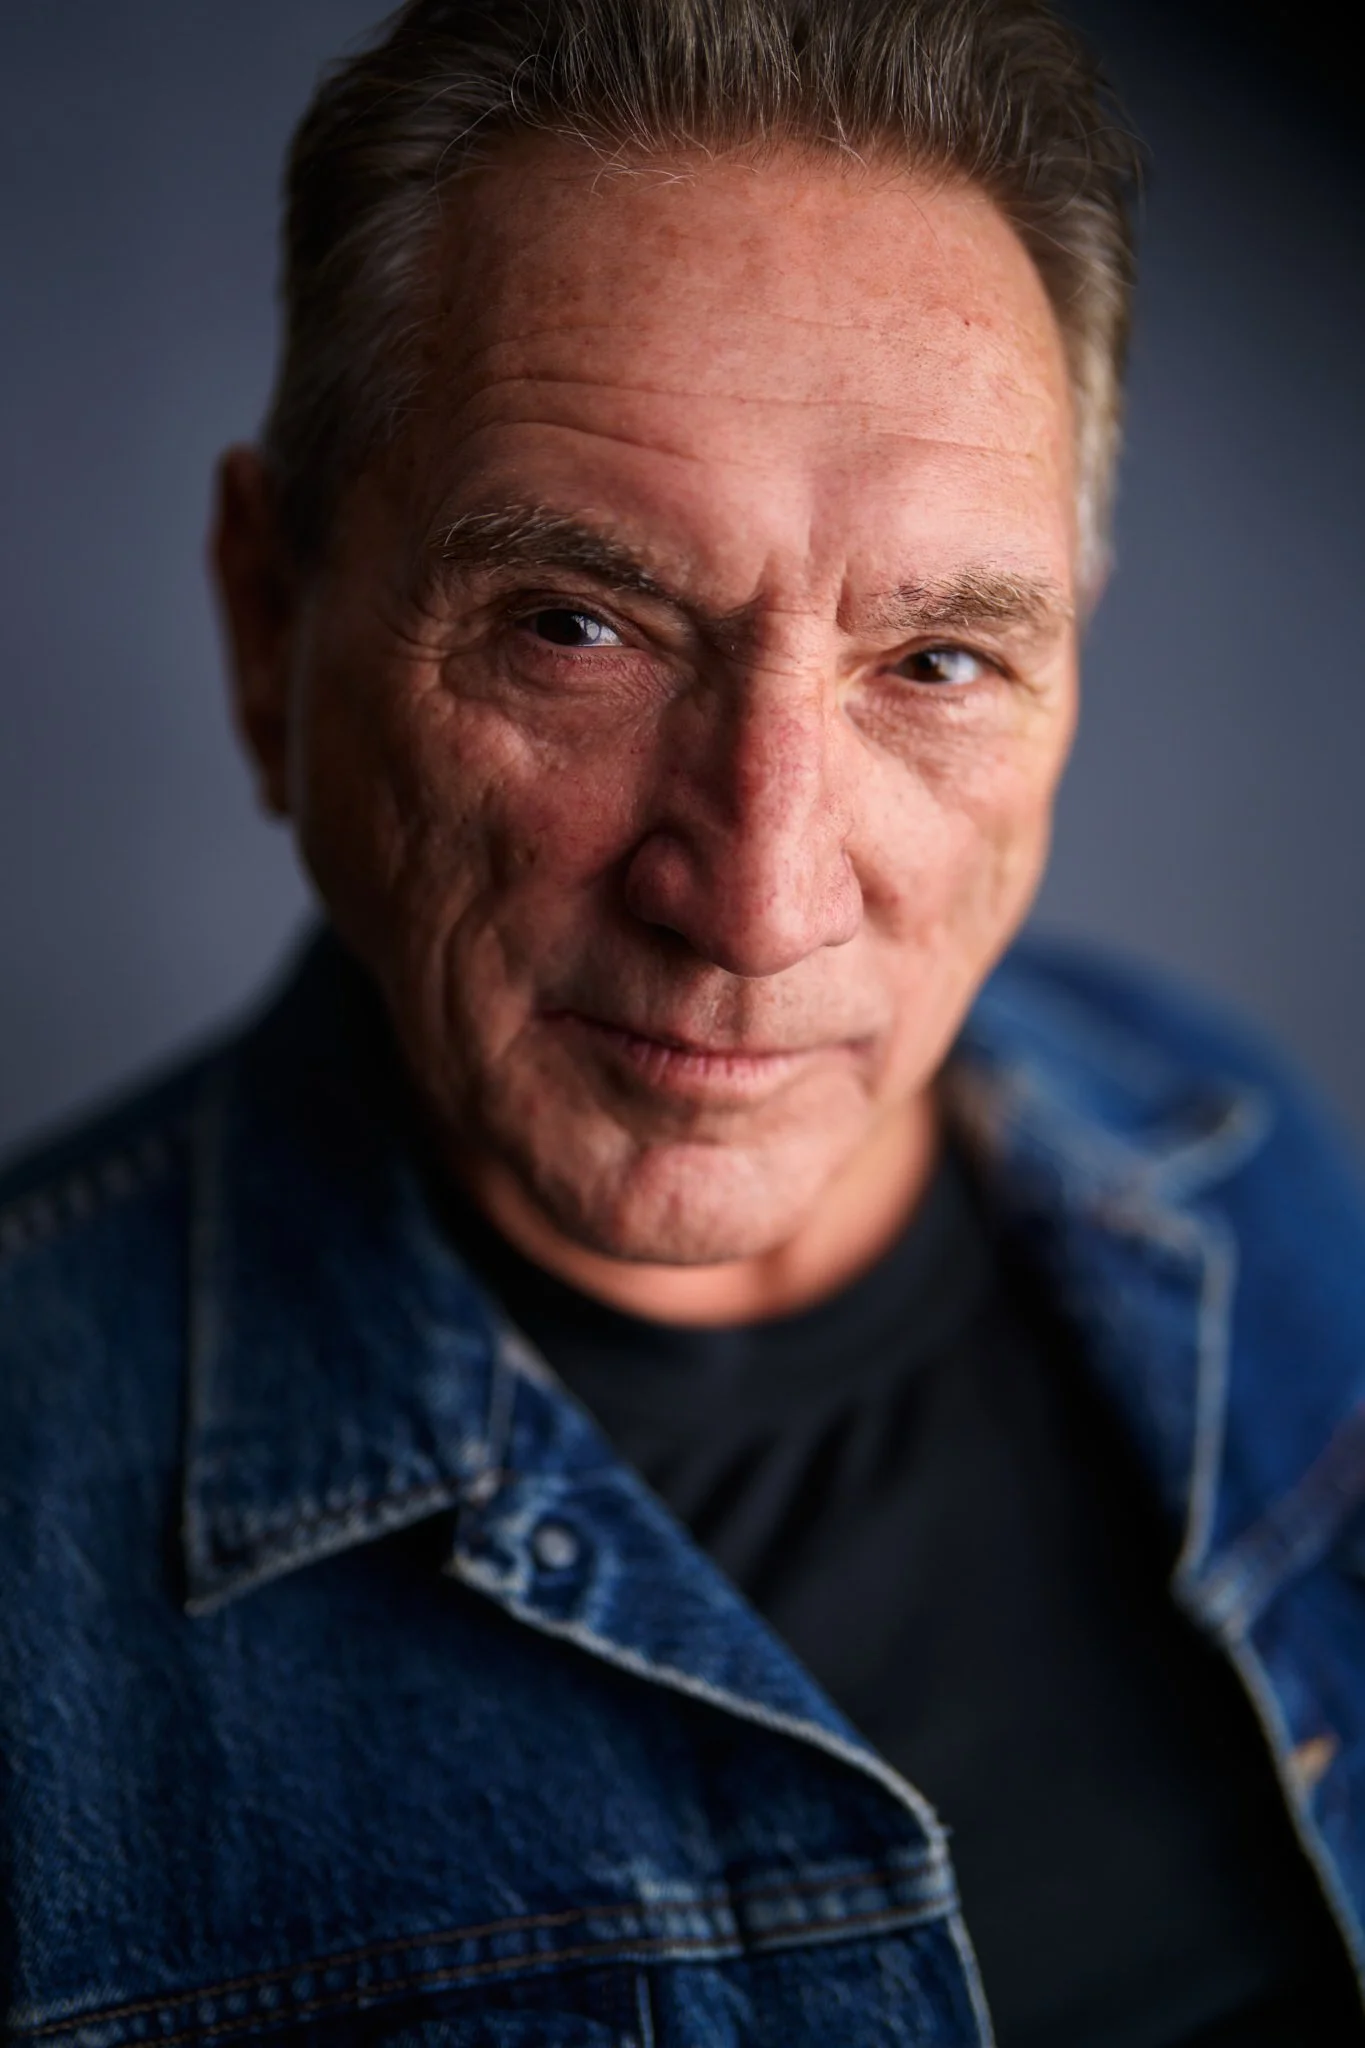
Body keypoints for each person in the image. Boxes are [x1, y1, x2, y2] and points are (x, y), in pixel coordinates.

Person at [3, 0, 1364, 2040]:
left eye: (933, 659)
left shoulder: (1223, 1141)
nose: (758, 898)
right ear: (267, 619)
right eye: (579, 626)